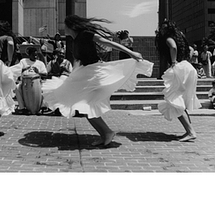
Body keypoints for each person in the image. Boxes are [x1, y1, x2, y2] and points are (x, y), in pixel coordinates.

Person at [42, 15, 153, 147]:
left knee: (87, 107)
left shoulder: (85, 34)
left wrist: (131, 53)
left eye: (65, 26)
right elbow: (79, 61)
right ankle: (106, 134)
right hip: (86, 74)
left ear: (71, 26)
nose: (63, 28)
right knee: (86, 108)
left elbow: (108, 43)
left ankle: (107, 133)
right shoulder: (74, 40)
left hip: (95, 74)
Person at [156, 19, 201, 142]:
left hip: (180, 68)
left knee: (174, 99)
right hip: (187, 67)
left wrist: (174, 61)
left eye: (163, 28)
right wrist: (186, 60)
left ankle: (191, 131)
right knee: (179, 99)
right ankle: (189, 130)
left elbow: (173, 47)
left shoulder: (168, 38)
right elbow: (191, 49)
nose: (162, 30)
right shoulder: (180, 36)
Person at [13, 47, 47, 115]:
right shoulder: (23, 61)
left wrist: (38, 72)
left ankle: (42, 106)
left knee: (46, 88)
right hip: (24, 82)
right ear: (29, 55)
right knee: (16, 88)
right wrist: (23, 69)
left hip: (38, 82)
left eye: (36, 55)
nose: (35, 56)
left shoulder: (40, 63)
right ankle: (22, 108)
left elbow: (45, 74)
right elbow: (17, 70)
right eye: (33, 55)